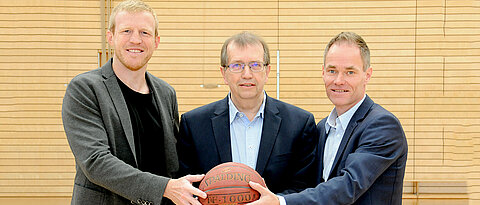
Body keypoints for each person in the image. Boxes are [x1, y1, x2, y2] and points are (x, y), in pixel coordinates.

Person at [62, 0, 206, 204]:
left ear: (156, 41)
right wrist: (164, 188)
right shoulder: (85, 88)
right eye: (126, 31)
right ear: (110, 37)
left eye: (144, 33)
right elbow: (95, 162)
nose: (136, 40)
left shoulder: (166, 93)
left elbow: (173, 163)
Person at [248, 31, 408, 205]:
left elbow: (348, 187)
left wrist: (281, 202)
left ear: (367, 75)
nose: (339, 80)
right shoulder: (321, 128)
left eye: (350, 72)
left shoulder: (382, 126)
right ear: (323, 73)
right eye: (332, 71)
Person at [176, 31, 318, 194]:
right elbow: (188, 189)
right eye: (237, 66)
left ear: (267, 71)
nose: (247, 74)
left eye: (255, 65)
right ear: (224, 73)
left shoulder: (299, 123)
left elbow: (304, 188)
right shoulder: (194, 125)